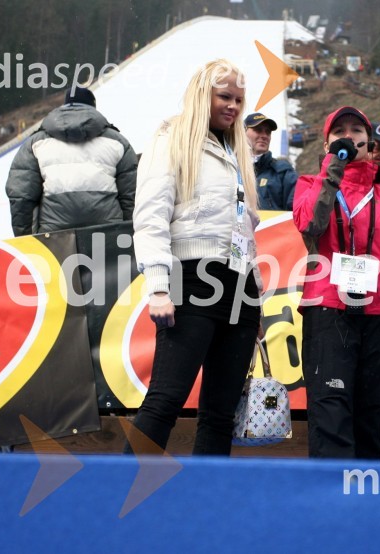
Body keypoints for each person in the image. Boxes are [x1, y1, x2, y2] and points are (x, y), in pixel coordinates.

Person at [127, 59, 262, 456]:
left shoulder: (239, 152)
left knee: (221, 414)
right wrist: (157, 287)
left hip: (240, 289)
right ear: (203, 94)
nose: (234, 106)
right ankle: (118, 495)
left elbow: (246, 228)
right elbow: (150, 216)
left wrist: (255, 298)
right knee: (166, 399)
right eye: (225, 96)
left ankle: (207, 508)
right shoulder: (171, 139)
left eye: (239, 99)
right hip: (192, 278)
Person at [293, 106, 380, 459]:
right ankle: (329, 505)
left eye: (356, 130)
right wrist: (332, 167)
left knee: (369, 417)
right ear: (326, 142)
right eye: (339, 131)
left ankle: (366, 504)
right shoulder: (309, 184)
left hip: (379, 315)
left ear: (369, 142)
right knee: (331, 412)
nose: (348, 136)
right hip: (329, 311)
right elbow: (310, 226)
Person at [5, 86, 138, 236]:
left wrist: (27, 239)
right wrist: (128, 234)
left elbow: (21, 196)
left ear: (65, 105)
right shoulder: (118, 142)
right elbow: (131, 195)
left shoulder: (35, 143)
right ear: (93, 108)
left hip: (53, 237)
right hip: (107, 234)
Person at [244, 112, 298, 210]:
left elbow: (296, 209)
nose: (264, 135)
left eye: (268, 132)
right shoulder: (231, 169)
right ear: (243, 133)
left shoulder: (283, 171)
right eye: (258, 130)